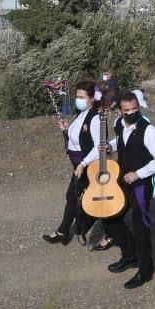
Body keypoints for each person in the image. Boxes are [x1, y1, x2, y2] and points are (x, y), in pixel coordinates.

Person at [98, 91, 155, 289]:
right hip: (122, 180)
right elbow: (121, 140)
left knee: (141, 227)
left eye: (135, 109)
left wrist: (138, 174)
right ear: (120, 111)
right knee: (110, 217)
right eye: (127, 110)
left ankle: (145, 271)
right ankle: (130, 255)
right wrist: (110, 147)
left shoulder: (149, 131)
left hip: (140, 184)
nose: (131, 113)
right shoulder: (119, 124)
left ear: (139, 108)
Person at [43, 80, 102, 246]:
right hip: (78, 165)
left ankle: (105, 230)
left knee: (82, 197)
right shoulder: (81, 114)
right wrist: (67, 129)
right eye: (77, 96)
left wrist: (83, 164)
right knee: (74, 196)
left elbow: (99, 147)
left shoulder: (96, 118)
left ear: (92, 99)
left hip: (88, 166)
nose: (78, 99)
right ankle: (64, 231)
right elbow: (77, 138)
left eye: (82, 97)